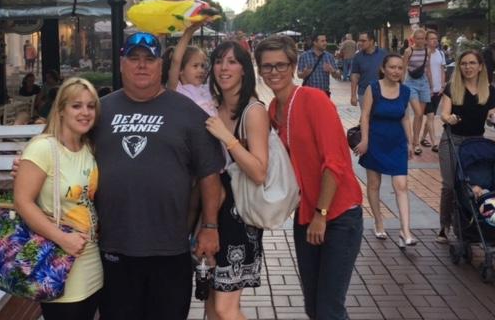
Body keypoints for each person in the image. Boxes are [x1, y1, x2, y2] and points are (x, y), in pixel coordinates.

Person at [94, 32, 223, 320]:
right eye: (134, 58)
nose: (142, 65)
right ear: (121, 64)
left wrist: (210, 226)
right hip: (113, 246)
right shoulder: (100, 111)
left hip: (170, 247)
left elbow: (209, 174)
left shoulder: (187, 112)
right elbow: (65, 147)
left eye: (149, 59)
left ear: (160, 66)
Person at [255, 36, 363, 320]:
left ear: (293, 66)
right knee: (313, 306)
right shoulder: (273, 110)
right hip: (307, 216)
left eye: (280, 65)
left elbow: (335, 162)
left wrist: (321, 214)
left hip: (337, 215)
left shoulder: (313, 99)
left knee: (329, 308)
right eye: (267, 67)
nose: (273, 72)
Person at [14, 77, 102, 319]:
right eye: (76, 106)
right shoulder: (43, 148)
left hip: (92, 258)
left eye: (91, 106)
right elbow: (22, 202)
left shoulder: (89, 148)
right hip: (58, 258)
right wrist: (62, 238)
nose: (85, 112)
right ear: (61, 110)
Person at [204, 41, 269, 319]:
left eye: (232, 61)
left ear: (244, 69)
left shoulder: (253, 111)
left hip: (240, 215)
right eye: (219, 61)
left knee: (224, 307)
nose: (223, 68)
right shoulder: (213, 108)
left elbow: (258, 171)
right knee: (210, 303)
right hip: (211, 214)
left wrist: (226, 137)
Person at [355, 54, 416, 248]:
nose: (396, 71)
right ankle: (379, 221)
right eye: (392, 67)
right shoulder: (374, 88)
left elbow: (405, 117)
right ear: (384, 68)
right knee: (374, 184)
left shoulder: (405, 91)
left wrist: (410, 142)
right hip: (375, 140)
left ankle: (405, 230)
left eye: (400, 68)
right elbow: (364, 116)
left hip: (396, 142)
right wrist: (364, 140)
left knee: (401, 185)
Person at [437, 50, 495, 244]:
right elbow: (444, 114)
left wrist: (492, 117)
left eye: (472, 63)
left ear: (480, 67)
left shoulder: (489, 90)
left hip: (476, 142)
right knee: (450, 185)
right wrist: (449, 118)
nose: (468, 67)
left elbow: (492, 113)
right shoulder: (452, 88)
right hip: (452, 140)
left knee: (477, 182)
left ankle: (470, 223)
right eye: (464, 64)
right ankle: (444, 226)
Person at [165, 23, 216, 116]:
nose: (201, 70)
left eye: (202, 66)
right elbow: (176, 60)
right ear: (181, 70)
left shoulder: (207, 88)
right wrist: (189, 32)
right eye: (195, 66)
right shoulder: (178, 90)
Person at [402, 28, 431, 156]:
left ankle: (416, 141)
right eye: (417, 38)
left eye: (422, 38)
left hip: (423, 82)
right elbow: (403, 68)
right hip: (410, 83)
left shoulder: (427, 51)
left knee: (420, 115)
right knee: (418, 112)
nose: (420, 41)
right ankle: (415, 142)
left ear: (425, 39)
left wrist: (432, 85)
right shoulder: (409, 51)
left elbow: (427, 68)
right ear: (413, 39)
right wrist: (400, 84)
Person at [420, 31, 446, 152]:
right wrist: (429, 88)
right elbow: (426, 71)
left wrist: (442, 86)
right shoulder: (423, 54)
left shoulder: (441, 53)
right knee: (430, 116)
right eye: (431, 39)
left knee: (432, 116)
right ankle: (435, 143)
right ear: (426, 40)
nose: (435, 41)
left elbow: (442, 70)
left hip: (438, 90)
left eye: (436, 38)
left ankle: (423, 138)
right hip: (426, 90)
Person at [351, 31, 387, 111]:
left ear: (371, 41)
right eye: (359, 40)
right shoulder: (357, 57)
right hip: (363, 92)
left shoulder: (384, 54)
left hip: (382, 92)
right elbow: (355, 76)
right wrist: (353, 95)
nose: (360, 43)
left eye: (363, 41)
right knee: (366, 117)